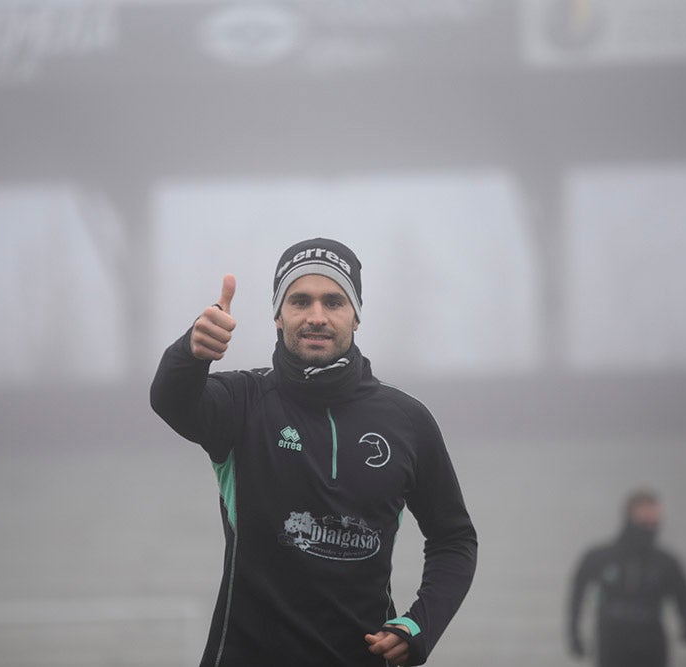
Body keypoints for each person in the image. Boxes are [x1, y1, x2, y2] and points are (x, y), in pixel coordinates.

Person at [151, 238, 477, 666]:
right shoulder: (242, 402)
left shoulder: (408, 421)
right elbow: (170, 400)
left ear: (356, 315)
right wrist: (190, 353)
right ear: (277, 315)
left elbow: (454, 539)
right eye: (300, 301)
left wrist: (419, 625)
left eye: (334, 302)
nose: (317, 317)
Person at [566, 489, 686, 667]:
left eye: (654, 521)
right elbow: (577, 594)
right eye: (644, 519)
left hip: (651, 641)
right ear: (630, 517)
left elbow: (683, 595)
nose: (650, 526)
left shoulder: (665, 562)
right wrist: (574, 634)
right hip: (612, 640)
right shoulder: (601, 557)